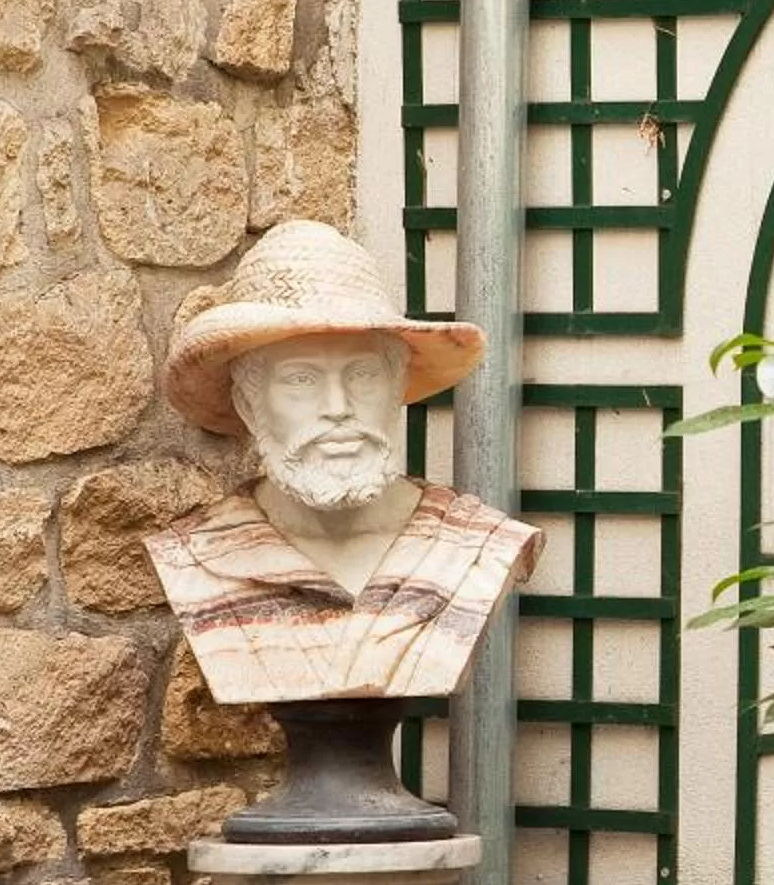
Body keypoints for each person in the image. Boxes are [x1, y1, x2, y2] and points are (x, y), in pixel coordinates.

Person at [146, 220, 541, 706]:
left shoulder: (477, 549)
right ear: (249, 404)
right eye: (301, 379)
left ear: (398, 389)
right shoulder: (195, 556)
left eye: (362, 373)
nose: (337, 405)